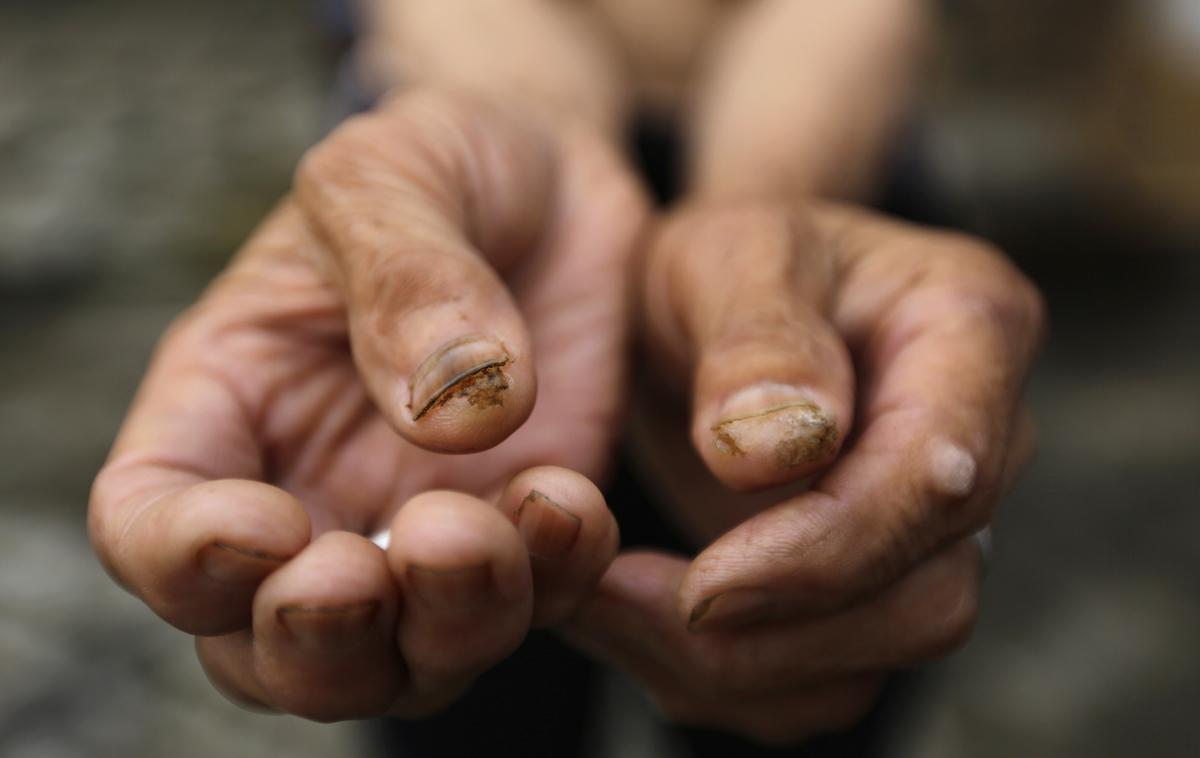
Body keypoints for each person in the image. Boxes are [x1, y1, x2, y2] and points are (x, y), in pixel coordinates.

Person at [88, 0, 1045, 753]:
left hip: (828, 190)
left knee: (817, 642)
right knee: (461, 660)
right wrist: (537, 137)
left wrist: (758, 232)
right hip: (480, 198)